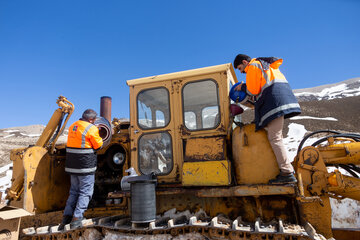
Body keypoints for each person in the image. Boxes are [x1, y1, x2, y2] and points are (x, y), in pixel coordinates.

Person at [233, 54, 301, 184]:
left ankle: (286, 173)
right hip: (279, 99)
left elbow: (253, 91)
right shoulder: (265, 65)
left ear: (244, 62)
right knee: (273, 134)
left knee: (274, 137)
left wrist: (242, 87)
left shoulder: (253, 66)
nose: (242, 72)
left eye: (241, 68)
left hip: (274, 101)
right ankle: (284, 169)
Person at [59, 109, 103, 230]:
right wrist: (98, 132)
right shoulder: (91, 128)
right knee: (85, 192)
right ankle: (77, 218)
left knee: (74, 191)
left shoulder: (73, 125)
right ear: (90, 120)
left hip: (72, 165)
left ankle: (66, 217)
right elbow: (98, 145)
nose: (94, 122)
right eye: (93, 120)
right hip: (85, 166)